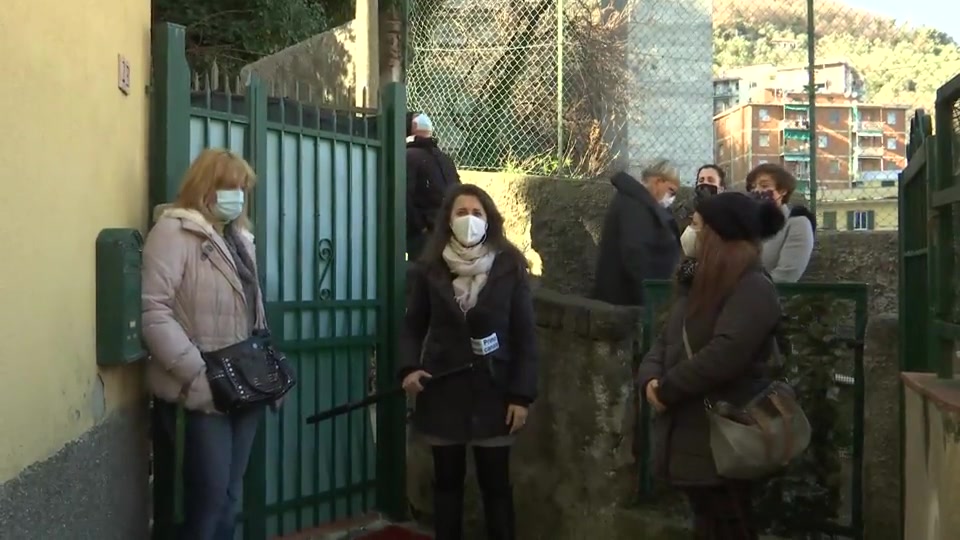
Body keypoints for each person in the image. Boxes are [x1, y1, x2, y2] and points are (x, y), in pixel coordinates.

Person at [636, 192, 786, 539]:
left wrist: (669, 389)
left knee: (729, 522)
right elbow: (665, 341)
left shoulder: (753, 287)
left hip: (726, 433)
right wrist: (649, 379)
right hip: (691, 433)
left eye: (697, 224)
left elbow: (725, 353)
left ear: (718, 234)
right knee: (708, 522)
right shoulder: (695, 283)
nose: (690, 231)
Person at [142, 148, 272, 540]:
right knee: (208, 501)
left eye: (242, 188)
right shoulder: (173, 232)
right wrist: (196, 374)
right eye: (228, 186)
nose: (237, 195)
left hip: (245, 385)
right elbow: (153, 311)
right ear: (204, 187)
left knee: (232, 498)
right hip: (204, 389)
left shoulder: (241, 240)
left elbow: (254, 310)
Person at [399, 183, 538, 540]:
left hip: (496, 391)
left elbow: (525, 335)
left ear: (489, 219)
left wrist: (521, 396)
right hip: (443, 388)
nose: (470, 220)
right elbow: (413, 324)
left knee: (496, 485)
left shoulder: (510, 266)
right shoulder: (430, 269)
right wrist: (410, 367)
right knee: (446, 484)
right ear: (448, 219)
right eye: (462, 213)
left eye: (477, 213)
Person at [593, 159, 682, 306]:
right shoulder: (634, 206)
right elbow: (636, 253)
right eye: (671, 190)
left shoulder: (636, 203)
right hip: (624, 301)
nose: (671, 198)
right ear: (658, 182)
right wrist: (649, 299)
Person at [745, 163, 815, 282]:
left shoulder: (797, 224)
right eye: (753, 187)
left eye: (764, 185)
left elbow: (786, 275)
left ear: (783, 191)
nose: (757, 191)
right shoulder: (747, 225)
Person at [406, 112, 461, 260]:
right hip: (447, 231)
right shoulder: (445, 159)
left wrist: (420, 227)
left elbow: (403, 197)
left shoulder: (408, 157)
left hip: (423, 237)